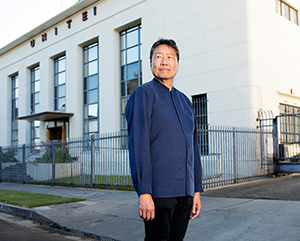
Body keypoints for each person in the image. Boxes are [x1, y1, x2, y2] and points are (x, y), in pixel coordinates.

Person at [125, 39, 203, 241]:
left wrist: (195, 190)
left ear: (177, 64)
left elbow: (193, 148)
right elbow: (138, 145)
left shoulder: (185, 101)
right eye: (158, 57)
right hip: (159, 194)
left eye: (170, 57)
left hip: (185, 193)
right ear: (151, 63)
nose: (164, 61)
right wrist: (144, 192)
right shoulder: (144, 94)